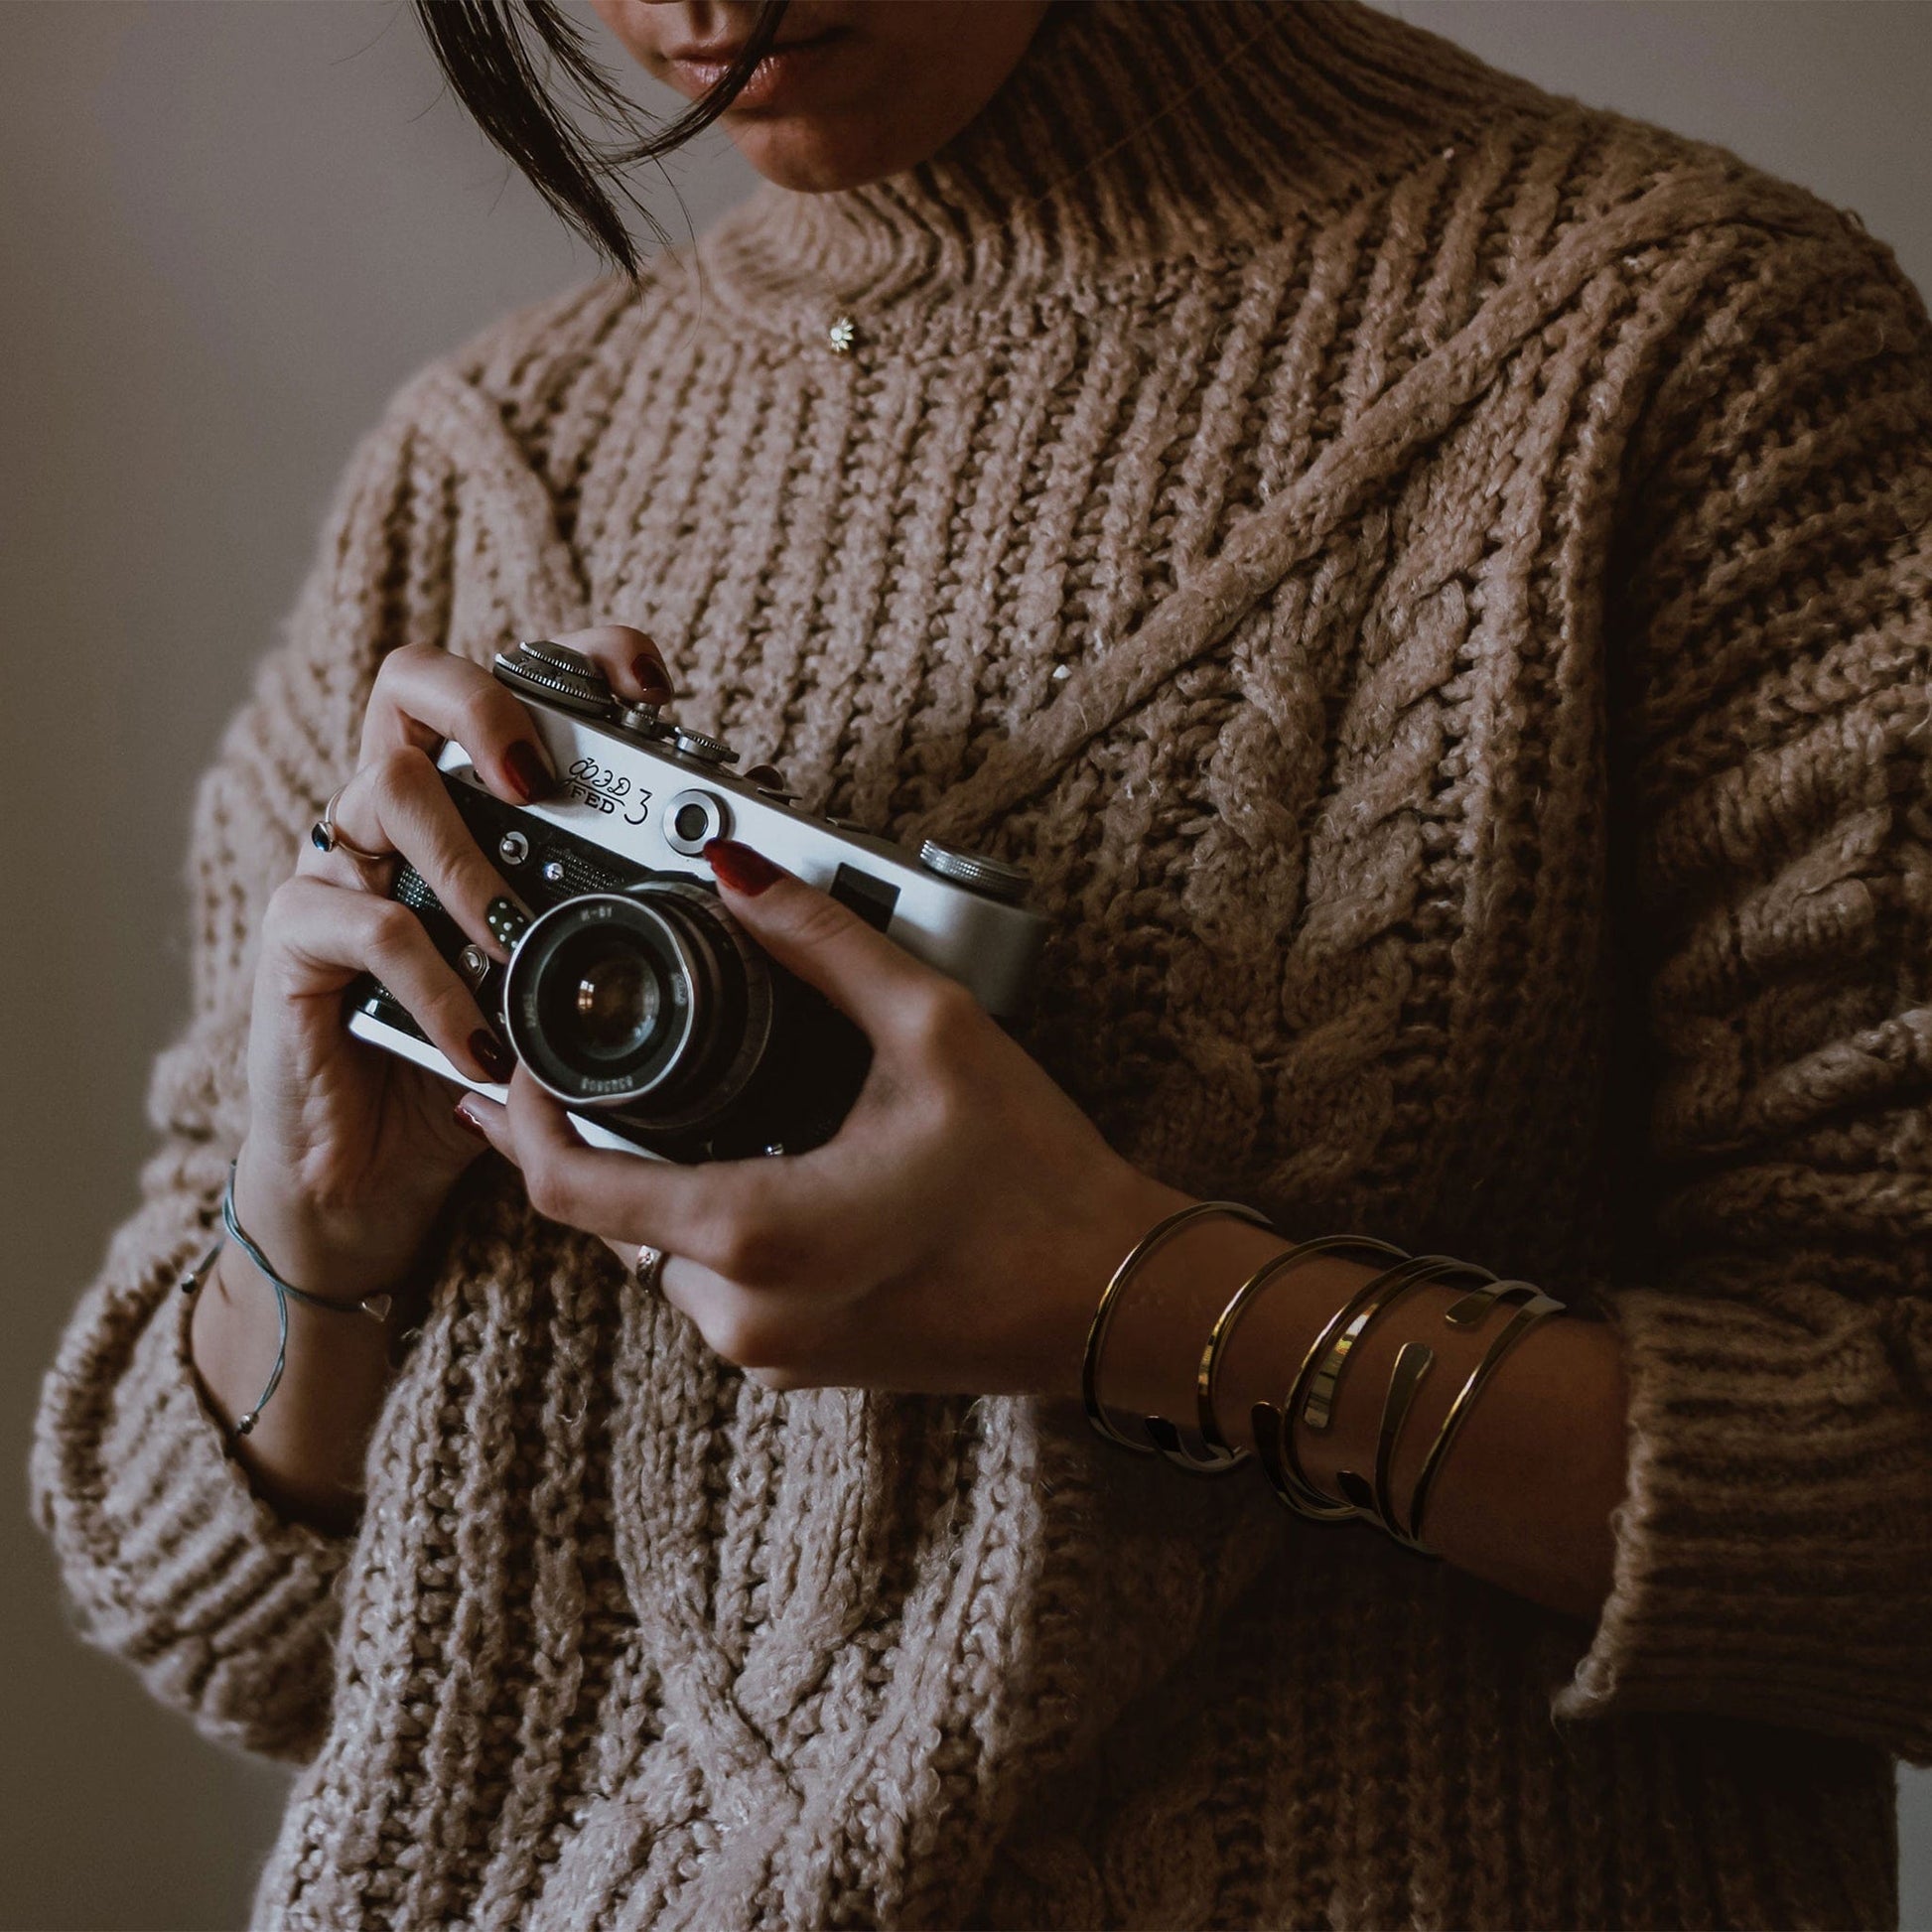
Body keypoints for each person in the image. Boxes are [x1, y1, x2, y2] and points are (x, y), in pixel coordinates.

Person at [31, 1, 1932, 1925]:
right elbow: (203, 1603)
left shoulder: (1675, 343)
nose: (697, 8)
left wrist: (1119, 1296)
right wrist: (312, 1229)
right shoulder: (484, 457)